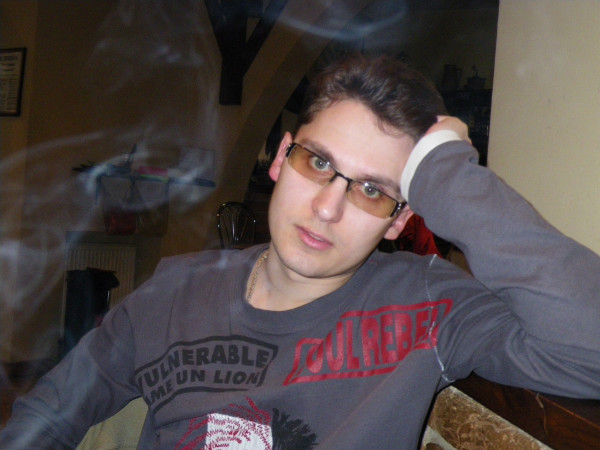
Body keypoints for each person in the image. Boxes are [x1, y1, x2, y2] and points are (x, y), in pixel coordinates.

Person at [2, 52, 600, 450]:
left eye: (372, 191)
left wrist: (448, 175)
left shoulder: (427, 305)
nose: (327, 207)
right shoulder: (172, 289)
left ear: (400, 221)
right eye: (318, 162)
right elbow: (49, 415)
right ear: (281, 157)